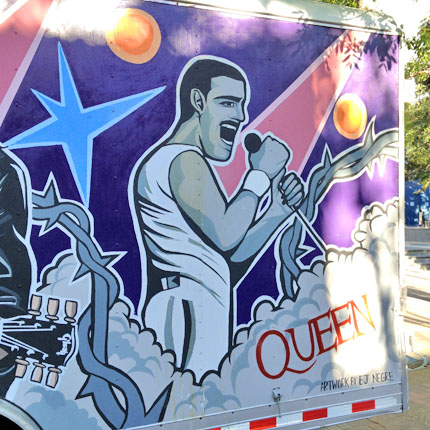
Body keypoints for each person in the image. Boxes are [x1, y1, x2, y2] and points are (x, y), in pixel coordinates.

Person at [130, 56, 303, 380]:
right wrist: (259, 175)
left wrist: (277, 210)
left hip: (193, 309)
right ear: (198, 101)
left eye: (242, 105)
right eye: (228, 103)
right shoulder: (183, 160)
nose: (240, 116)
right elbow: (226, 234)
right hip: (184, 314)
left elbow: (228, 259)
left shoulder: (183, 160)